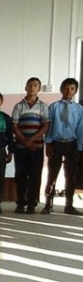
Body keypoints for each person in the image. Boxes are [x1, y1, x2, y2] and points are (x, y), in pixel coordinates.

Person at [41, 78, 83, 215]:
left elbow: (80, 129)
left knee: (70, 176)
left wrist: (79, 148)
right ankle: (48, 204)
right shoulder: (53, 107)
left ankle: (69, 205)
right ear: (61, 89)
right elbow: (49, 127)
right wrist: (48, 144)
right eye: (66, 88)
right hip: (56, 143)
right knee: (52, 174)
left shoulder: (79, 109)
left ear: (76, 90)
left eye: (72, 88)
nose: (68, 91)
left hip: (71, 143)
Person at [11, 77, 49, 214]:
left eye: (35, 85)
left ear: (39, 89)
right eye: (30, 85)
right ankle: (20, 203)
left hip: (36, 147)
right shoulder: (18, 106)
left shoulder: (43, 106)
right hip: (21, 148)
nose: (32, 87)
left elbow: (45, 126)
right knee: (20, 175)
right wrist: (24, 141)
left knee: (35, 176)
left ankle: (32, 204)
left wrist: (31, 140)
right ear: (26, 87)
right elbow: (14, 126)